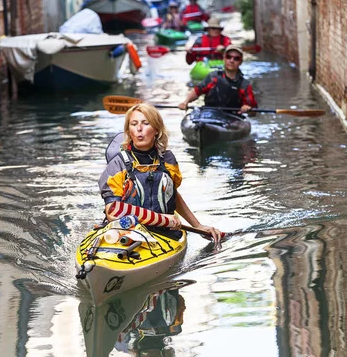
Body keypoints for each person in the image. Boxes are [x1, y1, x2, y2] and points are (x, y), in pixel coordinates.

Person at [99, 103, 222, 247]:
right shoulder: (117, 165)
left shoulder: (168, 160)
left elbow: (172, 195)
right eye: (134, 124)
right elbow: (112, 212)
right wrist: (161, 218)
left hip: (166, 232)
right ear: (129, 131)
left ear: (156, 130)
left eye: (146, 123)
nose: (139, 129)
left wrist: (197, 225)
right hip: (127, 231)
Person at [179, 45, 258, 113]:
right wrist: (186, 102)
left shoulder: (244, 85)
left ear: (240, 62)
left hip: (233, 118)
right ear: (224, 59)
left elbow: (253, 112)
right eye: (228, 57)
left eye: (236, 58)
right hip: (209, 114)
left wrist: (247, 108)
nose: (231, 60)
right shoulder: (213, 77)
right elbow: (197, 90)